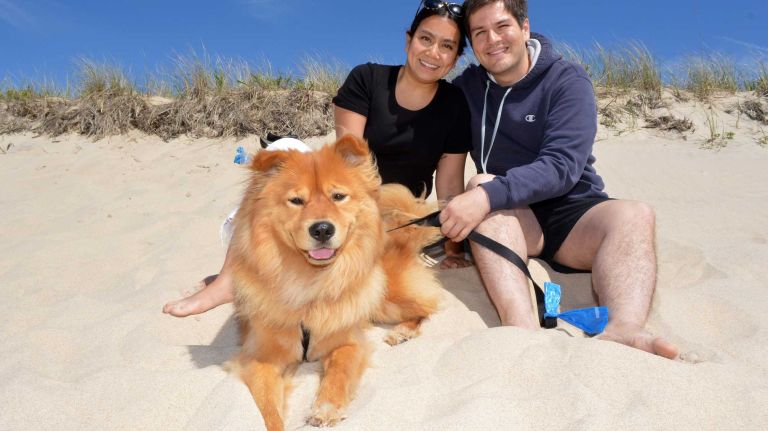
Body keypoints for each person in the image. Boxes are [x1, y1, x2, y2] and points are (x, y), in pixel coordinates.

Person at [163, 0, 473, 318]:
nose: (433, 52)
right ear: (409, 40)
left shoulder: (454, 105)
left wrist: (454, 249)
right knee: (282, 148)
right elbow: (347, 165)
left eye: (447, 46)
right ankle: (228, 281)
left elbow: (449, 183)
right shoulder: (367, 79)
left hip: (399, 219)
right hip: (347, 203)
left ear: (456, 58)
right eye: (426, 39)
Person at [439, 0, 679, 359]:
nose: (492, 40)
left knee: (636, 214)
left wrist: (488, 194)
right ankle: (524, 334)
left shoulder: (566, 79)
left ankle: (625, 328)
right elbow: (425, 117)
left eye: (502, 26)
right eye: (480, 33)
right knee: (482, 185)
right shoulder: (467, 89)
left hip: (573, 212)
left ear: (524, 28)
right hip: (511, 220)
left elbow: (563, 165)